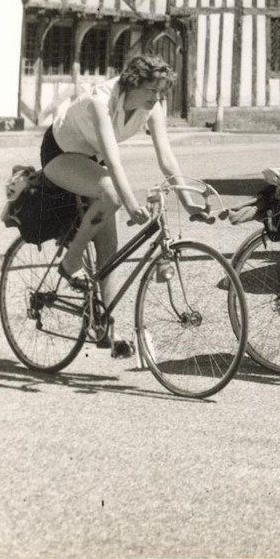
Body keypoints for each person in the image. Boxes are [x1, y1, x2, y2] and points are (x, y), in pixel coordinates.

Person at [40, 53, 203, 359]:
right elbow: (113, 162)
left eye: (161, 91)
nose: (157, 97)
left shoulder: (151, 107)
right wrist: (130, 205)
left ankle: (106, 329)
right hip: (60, 152)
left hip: (93, 161)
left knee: (110, 251)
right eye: (151, 90)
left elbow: (167, 159)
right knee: (113, 195)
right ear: (132, 84)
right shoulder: (101, 101)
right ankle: (71, 260)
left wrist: (189, 202)